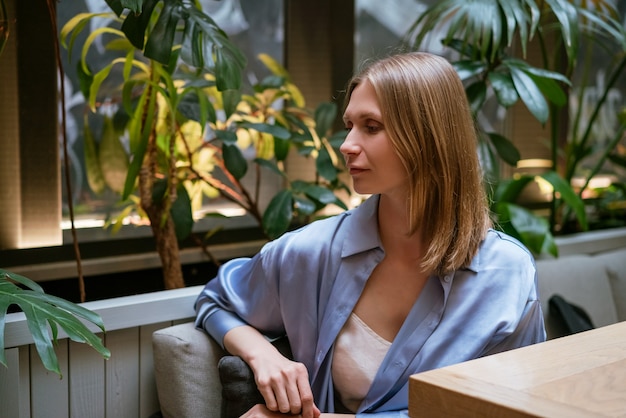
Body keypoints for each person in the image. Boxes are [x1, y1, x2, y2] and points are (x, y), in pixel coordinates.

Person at [195, 51, 546, 417]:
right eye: (349, 125)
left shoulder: (506, 275)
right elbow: (215, 302)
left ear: (428, 137)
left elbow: (511, 408)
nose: (346, 144)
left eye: (371, 126)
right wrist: (262, 355)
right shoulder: (311, 252)